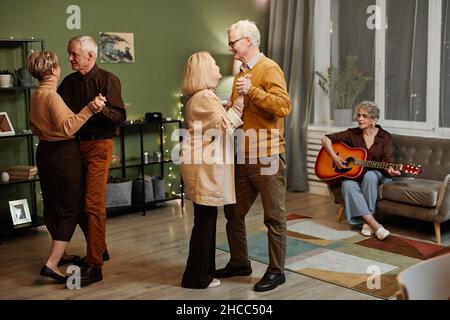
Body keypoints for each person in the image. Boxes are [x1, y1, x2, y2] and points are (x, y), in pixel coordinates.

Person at [214, 20, 292, 292]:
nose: (230, 47)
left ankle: (276, 271)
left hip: (268, 155)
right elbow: (243, 110)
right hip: (243, 154)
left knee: (274, 216)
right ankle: (239, 262)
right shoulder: (240, 74)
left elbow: (283, 106)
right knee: (233, 212)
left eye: (233, 42)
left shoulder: (269, 68)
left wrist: (254, 92)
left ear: (249, 41)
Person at [27, 50, 105, 283]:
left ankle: (61, 254)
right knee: (71, 207)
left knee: (52, 203)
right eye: (59, 64)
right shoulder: (51, 96)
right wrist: (90, 108)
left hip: (44, 152)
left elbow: (35, 128)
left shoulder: (36, 95)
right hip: (62, 155)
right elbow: (68, 128)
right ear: (52, 70)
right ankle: (51, 263)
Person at [57, 36, 126, 286]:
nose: (70, 58)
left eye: (74, 54)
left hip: (99, 146)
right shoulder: (66, 84)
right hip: (73, 147)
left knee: (93, 203)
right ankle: (101, 248)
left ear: (90, 56)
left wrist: (101, 110)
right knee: (78, 202)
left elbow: (119, 117)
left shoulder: (108, 80)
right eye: (69, 53)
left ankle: (95, 266)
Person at [179, 51, 245, 289]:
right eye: (215, 64)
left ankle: (204, 271)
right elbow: (224, 126)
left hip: (201, 166)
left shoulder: (203, 97)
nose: (219, 67)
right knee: (204, 222)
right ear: (206, 71)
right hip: (203, 169)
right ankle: (196, 277)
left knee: (205, 219)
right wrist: (240, 103)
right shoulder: (205, 97)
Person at [321, 101, 401, 239]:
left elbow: (388, 161)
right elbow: (325, 139)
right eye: (358, 115)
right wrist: (334, 158)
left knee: (370, 175)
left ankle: (368, 223)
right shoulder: (352, 134)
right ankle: (372, 223)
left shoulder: (384, 137)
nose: (360, 119)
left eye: (364, 116)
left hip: (378, 174)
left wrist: (391, 170)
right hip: (356, 175)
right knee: (347, 184)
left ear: (374, 119)